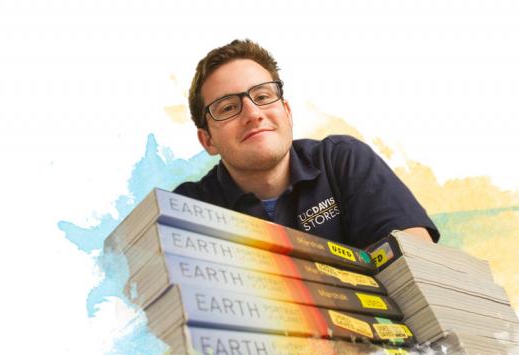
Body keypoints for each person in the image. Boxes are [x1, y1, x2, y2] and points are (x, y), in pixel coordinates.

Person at [174, 39, 439, 249]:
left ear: (286, 112)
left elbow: (418, 261)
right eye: (229, 107)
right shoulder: (186, 208)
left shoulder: (343, 160)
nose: (253, 113)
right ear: (207, 140)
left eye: (263, 96)